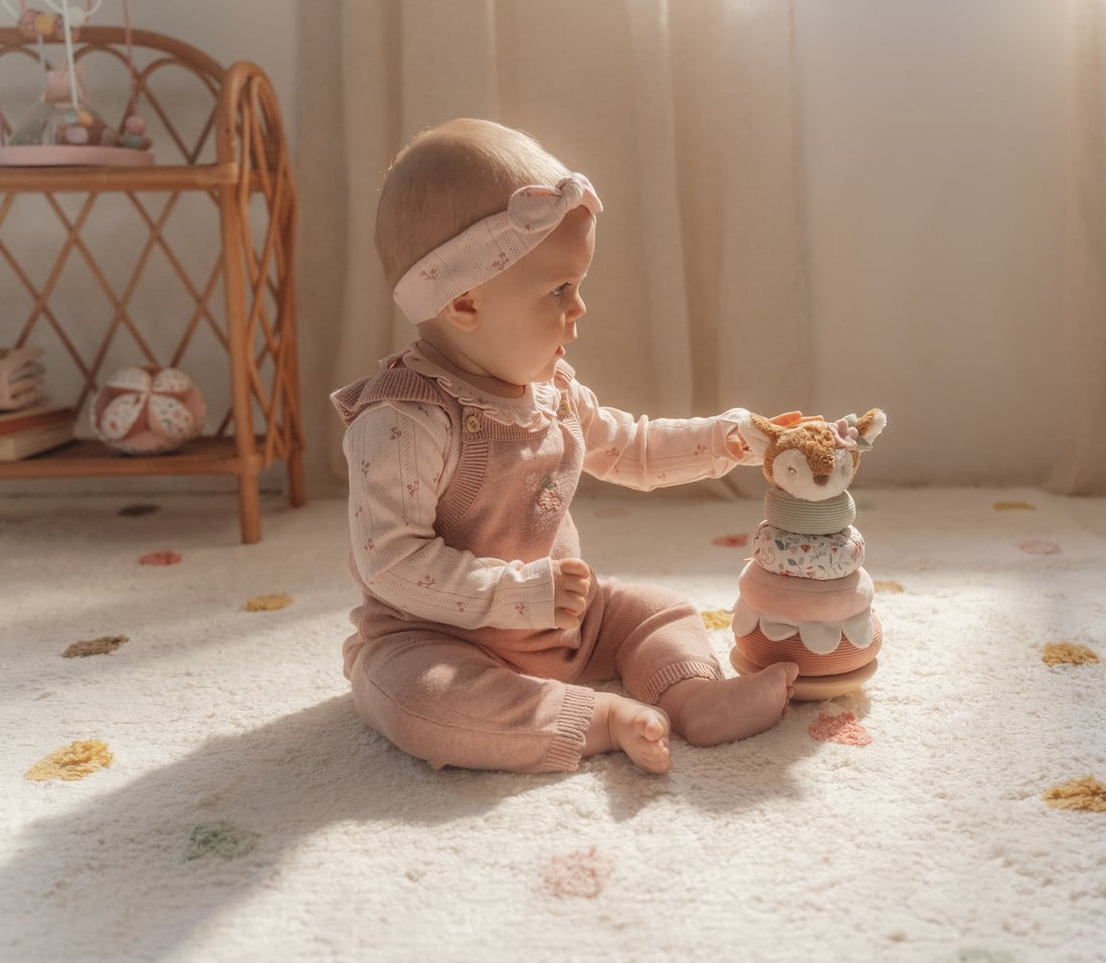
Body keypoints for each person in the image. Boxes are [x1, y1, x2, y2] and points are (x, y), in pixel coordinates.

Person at [331, 118, 798, 775]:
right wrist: (516, 595)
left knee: (655, 609)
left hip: (566, 619)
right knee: (416, 702)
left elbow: (631, 448)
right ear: (465, 302)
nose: (577, 309)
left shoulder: (550, 390)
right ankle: (596, 720)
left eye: (576, 286)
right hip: (435, 634)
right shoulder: (403, 419)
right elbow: (390, 562)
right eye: (558, 291)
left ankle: (692, 694)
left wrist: (724, 437)